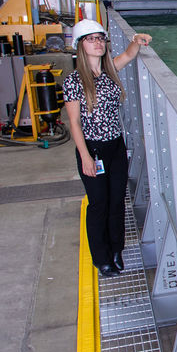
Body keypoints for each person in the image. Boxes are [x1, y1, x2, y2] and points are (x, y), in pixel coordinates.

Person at [63, 19, 152, 279]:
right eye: (91, 39)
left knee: (116, 202)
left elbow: (128, 54)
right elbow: (75, 123)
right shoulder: (74, 81)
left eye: (101, 38)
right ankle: (101, 258)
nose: (98, 43)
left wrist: (136, 40)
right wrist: (85, 157)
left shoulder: (109, 70)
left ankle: (116, 251)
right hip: (92, 149)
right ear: (80, 46)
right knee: (99, 204)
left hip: (115, 147)